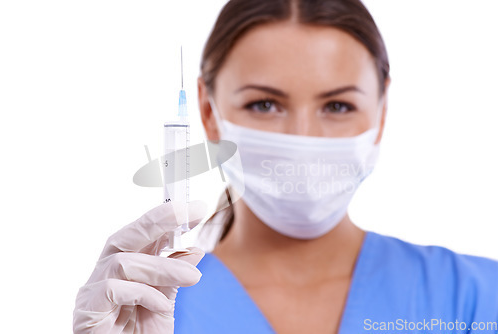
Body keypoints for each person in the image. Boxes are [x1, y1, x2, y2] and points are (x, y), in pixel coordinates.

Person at [73, 0, 498, 333]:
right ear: (207, 110)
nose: (303, 138)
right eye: (265, 104)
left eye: (337, 105)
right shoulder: (148, 306)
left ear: (381, 112)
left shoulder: (474, 298)